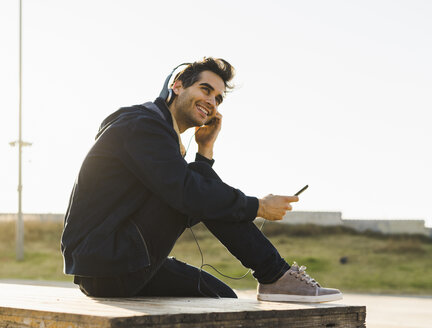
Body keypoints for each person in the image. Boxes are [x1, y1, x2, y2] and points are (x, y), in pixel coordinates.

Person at [61, 57, 342, 303]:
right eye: (205, 89)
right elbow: (188, 192)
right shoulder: (141, 125)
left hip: (119, 263)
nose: (212, 101)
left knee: (221, 298)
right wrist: (257, 206)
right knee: (197, 181)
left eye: (218, 98)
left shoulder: (158, 136)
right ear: (178, 85)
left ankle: (275, 277)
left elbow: (186, 190)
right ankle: (275, 274)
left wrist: (204, 151)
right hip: (108, 262)